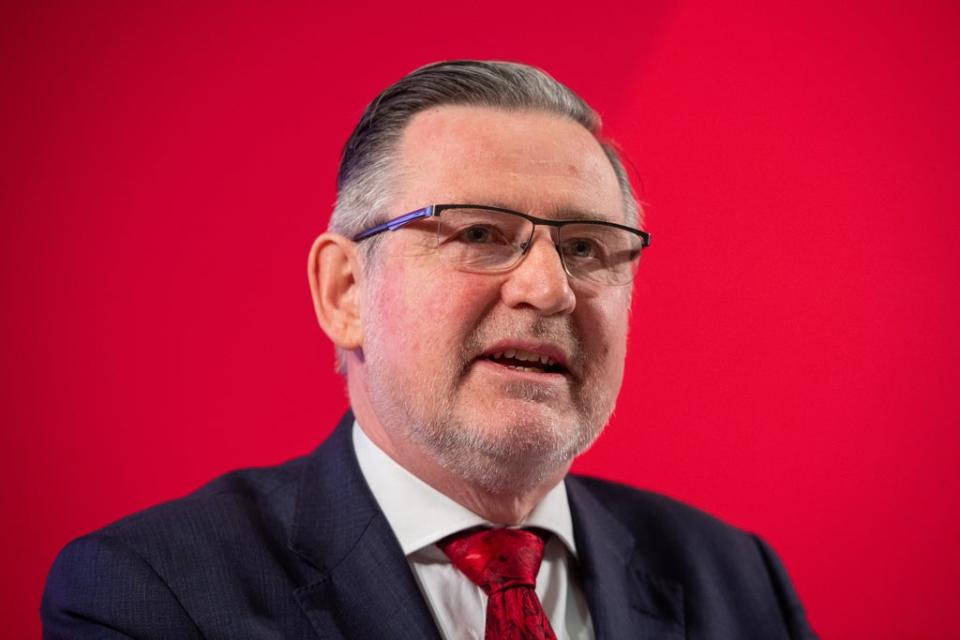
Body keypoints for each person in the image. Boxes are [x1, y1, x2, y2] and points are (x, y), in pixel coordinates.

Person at [42, 60, 817, 639]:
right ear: (346, 291)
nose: (551, 290)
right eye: (480, 233)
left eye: (587, 247)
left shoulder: (739, 584)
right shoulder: (149, 594)